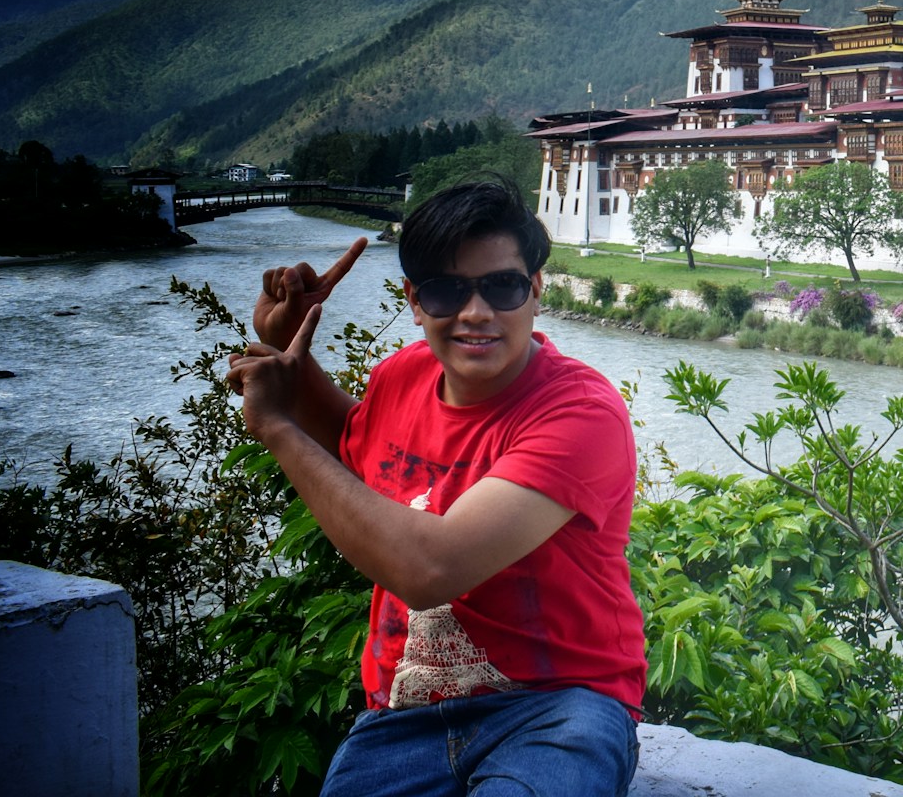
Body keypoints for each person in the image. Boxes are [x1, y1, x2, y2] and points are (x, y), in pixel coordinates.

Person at [225, 177, 645, 796]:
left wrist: (276, 429)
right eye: (448, 291)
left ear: (534, 292)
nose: (476, 313)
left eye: (501, 287)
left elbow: (430, 570)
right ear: (415, 301)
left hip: (559, 707)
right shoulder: (403, 377)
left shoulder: (580, 414)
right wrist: (291, 349)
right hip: (405, 713)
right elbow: (358, 449)